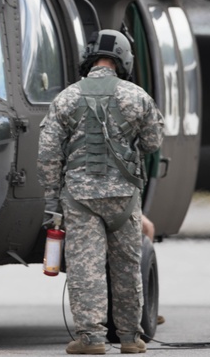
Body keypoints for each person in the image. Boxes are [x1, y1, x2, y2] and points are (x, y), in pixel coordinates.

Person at [38, 29, 164, 355]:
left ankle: (91, 339)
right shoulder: (137, 97)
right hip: (124, 197)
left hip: (80, 198)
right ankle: (130, 339)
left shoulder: (66, 98)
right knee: (127, 268)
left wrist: (53, 198)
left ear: (89, 57)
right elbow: (152, 143)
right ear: (124, 59)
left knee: (86, 269)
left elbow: (48, 152)